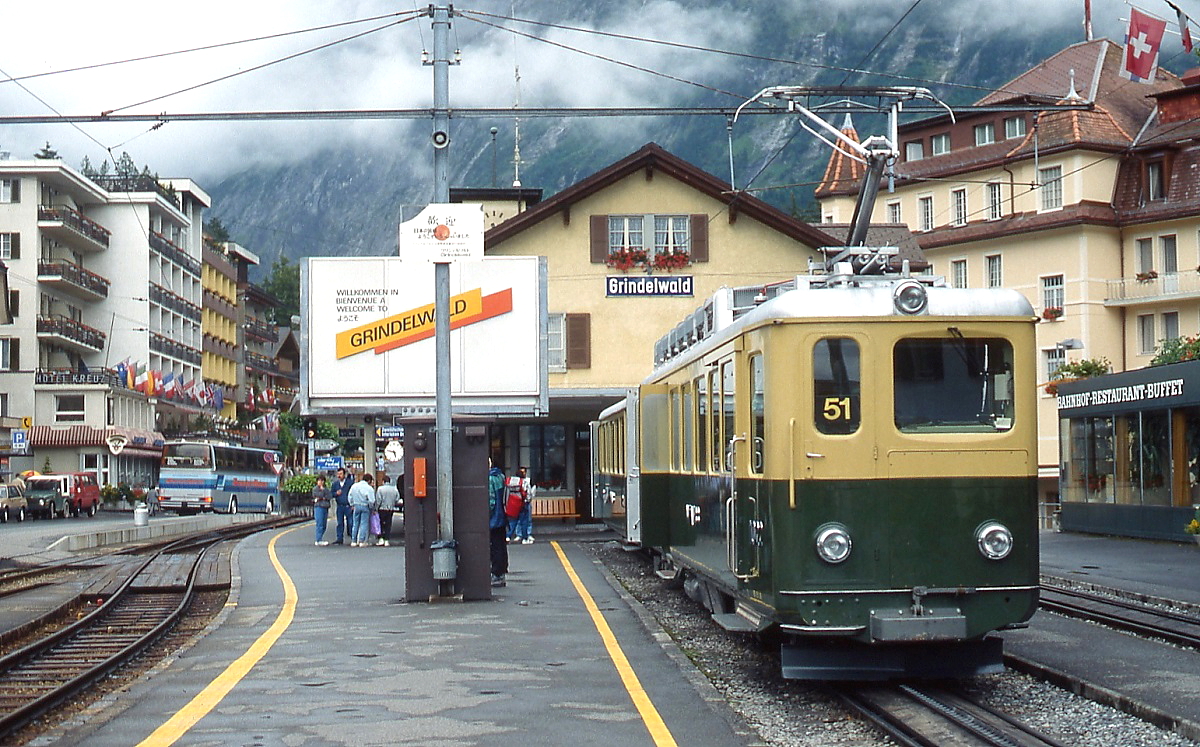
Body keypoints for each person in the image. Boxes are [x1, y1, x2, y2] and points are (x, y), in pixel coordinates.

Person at [488, 459, 508, 587]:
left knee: (494, 547)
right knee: (501, 545)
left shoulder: (490, 479)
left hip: (493, 519)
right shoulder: (500, 476)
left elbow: (491, 501)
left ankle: (496, 574)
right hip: (502, 517)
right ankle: (501, 573)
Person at [347, 473, 376, 547]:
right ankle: (361, 541)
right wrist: (371, 507)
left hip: (356, 506)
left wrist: (352, 504)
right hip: (365, 506)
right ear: (369, 480)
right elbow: (372, 500)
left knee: (355, 523)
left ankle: (353, 541)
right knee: (364, 524)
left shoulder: (354, 486)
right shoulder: (369, 488)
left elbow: (349, 496)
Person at [506, 467, 534, 544]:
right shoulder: (524, 482)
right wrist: (527, 501)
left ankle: (508, 536)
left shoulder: (510, 481)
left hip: (513, 504)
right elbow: (528, 493)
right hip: (522, 503)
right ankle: (525, 538)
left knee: (513, 522)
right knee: (524, 522)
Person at [330, 467, 354, 545]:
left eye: (341, 474)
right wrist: (336, 494)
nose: (339, 475)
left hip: (348, 505)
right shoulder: (335, 484)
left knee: (350, 522)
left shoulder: (350, 483)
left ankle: (353, 538)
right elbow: (331, 494)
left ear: (344, 474)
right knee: (340, 523)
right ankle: (339, 539)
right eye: (338, 474)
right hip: (340, 506)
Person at [375, 475, 400, 546]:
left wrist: (376, 508)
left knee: (381, 524)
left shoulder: (380, 489)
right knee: (388, 524)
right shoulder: (394, 489)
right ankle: (387, 540)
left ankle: (381, 539)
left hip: (382, 509)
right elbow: (397, 499)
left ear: (383, 481)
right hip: (390, 509)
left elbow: (378, 500)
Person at [312, 474, 332, 546]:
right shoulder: (315, 489)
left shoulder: (326, 489)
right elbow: (317, 496)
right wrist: (323, 496)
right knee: (319, 523)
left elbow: (329, 496)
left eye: (322, 480)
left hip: (325, 507)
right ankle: (318, 539)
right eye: (319, 480)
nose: (321, 482)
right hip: (318, 507)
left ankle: (320, 537)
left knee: (324, 524)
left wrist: (324, 495)